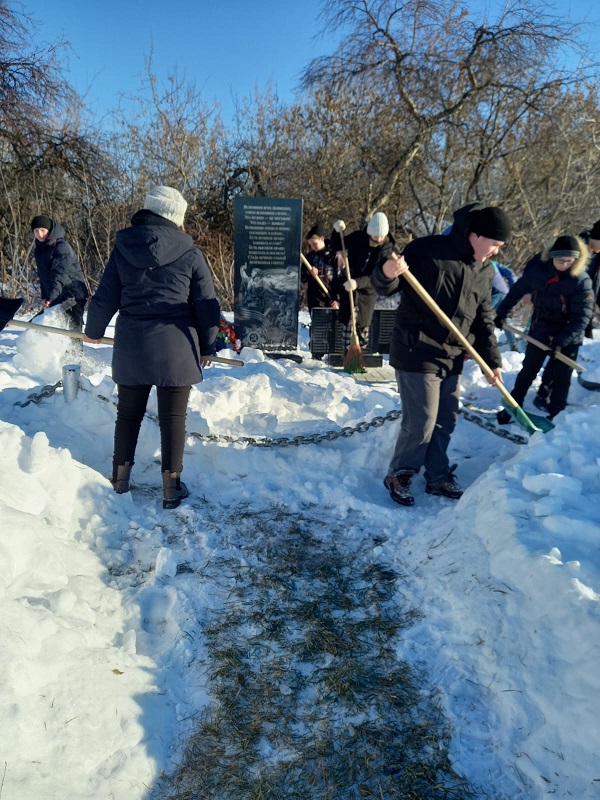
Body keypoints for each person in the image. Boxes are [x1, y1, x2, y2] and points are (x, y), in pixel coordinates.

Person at [83, 185, 220, 509]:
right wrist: (208, 345)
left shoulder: (122, 248)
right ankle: (171, 487)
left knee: (128, 416)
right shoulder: (191, 253)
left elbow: (105, 297)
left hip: (132, 346)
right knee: (174, 418)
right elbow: (206, 305)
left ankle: (120, 479)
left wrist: (93, 331)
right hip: (176, 349)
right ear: (175, 218)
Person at [371, 203, 510, 507]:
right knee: (422, 418)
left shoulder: (484, 271)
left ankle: (437, 475)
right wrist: (387, 271)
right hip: (416, 349)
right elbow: (386, 285)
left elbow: (484, 319)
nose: (496, 252)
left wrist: (492, 361)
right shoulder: (428, 250)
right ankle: (400, 473)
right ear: (476, 235)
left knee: (446, 418)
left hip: (452, 356)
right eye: (495, 244)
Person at [494, 235, 593, 424]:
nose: (563, 264)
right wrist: (501, 313)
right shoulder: (539, 271)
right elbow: (517, 290)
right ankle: (512, 407)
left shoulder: (581, 281)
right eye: (559, 260)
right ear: (551, 257)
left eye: (568, 261)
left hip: (569, 333)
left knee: (561, 378)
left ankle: (557, 415)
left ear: (576, 260)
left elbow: (582, 318)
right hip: (542, 327)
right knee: (528, 370)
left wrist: (560, 341)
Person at [331, 212, 395, 352]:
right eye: (375, 236)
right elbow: (337, 245)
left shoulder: (386, 250)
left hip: (368, 291)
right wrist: (337, 232)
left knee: (363, 325)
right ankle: (346, 355)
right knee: (348, 322)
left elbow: (376, 275)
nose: (378, 239)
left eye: (381, 236)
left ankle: (360, 355)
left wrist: (357, 283)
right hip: (349, 288)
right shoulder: (358, 237)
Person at [31, 214, 89, 336]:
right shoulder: (39, 250)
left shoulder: (62, 247)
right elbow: (43, 278)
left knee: (73, 331)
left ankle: (76, 355)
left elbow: (59, 275)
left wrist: (50, 298)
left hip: (73, 294)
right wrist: (45, 297)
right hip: (57, 294)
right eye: (36, 231)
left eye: (43, 230)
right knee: (42, 327)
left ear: (50, 230)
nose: (40, 234)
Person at [302, 221, 339, 311]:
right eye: (311, 245)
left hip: (331, 299)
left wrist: (338, 299)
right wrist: (309, 271)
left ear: (322, 239)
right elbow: (302, 278)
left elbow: (340, 278)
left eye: (315, 244)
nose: (313, 247)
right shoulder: (310, 257)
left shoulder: (334, 255)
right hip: (314, 300)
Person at [490, 261, 519, 351]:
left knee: (480, 318)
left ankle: (480, 344)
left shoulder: (480, 261)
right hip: (504, 292)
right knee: (504, 318)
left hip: (493, 293)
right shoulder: (493, 263)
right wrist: (513, 289)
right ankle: (513, 344)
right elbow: (510, 273)